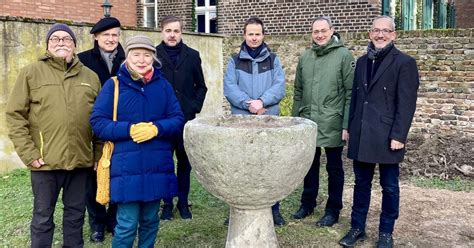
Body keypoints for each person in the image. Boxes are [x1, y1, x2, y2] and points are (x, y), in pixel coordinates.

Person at [6, 23, 101, 247]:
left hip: (80, 162)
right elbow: (15, 115)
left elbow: (99, 119)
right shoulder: (30, 73)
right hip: (44, 162)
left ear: (75, 45)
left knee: (76, 215)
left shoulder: (90, 76)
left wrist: (97, 154)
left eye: (66, 39)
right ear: (48, 45)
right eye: (55, 39)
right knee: (42, 217)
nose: (61, 42)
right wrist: (29, 153)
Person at [90, 35, 184, 247]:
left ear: (153, 58)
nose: (141, 60)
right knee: (126, 224)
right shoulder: (113, 85)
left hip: (157, 164)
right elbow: (98, 122)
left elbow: (177, 119)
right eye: (136, 55)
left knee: (151, 221)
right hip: (126, 167)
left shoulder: (163, 86)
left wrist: (156, 128)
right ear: (127, 58)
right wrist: (129, 129)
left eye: (147, 55)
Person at [339, 16, 419, 248]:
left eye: (385, 31)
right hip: (362, 133)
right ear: (370, 34)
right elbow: (355, 98)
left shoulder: (405, 63)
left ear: (394, 35)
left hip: (387, 137)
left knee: (390, 186)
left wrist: (399, 136)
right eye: (376, 30)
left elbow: (406, 104)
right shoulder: (362, 61)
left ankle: (386, 232)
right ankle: (357, 227)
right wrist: (350, 127)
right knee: (360, 184)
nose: (380, 35)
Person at [291, 16, 355, 227]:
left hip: (333, 122)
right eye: (315, 31)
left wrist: (346, 124)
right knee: (310, 165)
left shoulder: (344, 56)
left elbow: (350, 93)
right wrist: (295, 121)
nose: (319, 35)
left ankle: (333, 209)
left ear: (332, 31)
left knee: (334, 168)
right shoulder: (306, 57)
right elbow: (298, 91)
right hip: (308, 120)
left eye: (323, 31)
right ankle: (307, 203)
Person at [223, 17, 286, 225]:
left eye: (257, 34)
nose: (254, 38)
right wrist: (248, 103)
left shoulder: (273, 59)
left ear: (263, 35)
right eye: (250, 34)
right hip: (242, 121)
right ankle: (236, 209)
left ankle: (273, 209)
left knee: (269, 166)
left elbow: (279, 86)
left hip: (268, 119)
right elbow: (230, 87)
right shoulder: (234, 60)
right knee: (240, 166)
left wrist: (262, 101)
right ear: (244, 35)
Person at [155, 15, 207, 220]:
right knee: (165, 162)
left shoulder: (192, 55)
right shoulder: (154, 55)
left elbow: (201, 86)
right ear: (162, 32)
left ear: (181, 32)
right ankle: (166, 203)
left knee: (184, 163)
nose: (172, 35)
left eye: (176, 31)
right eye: (168, 31)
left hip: (186, 119)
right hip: (162, 120)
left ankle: (183, 203)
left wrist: (193, 106)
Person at [78, 16, 125, 243]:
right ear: (96, 37)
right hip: (93, 127)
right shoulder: (83, 60)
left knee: (117, 175)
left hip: (120, 127)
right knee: (93, 177)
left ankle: (113, 220)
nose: (110, 39)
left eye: (114, 35)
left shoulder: (128, 60)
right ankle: (96, 223)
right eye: (106, 35)